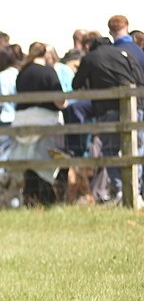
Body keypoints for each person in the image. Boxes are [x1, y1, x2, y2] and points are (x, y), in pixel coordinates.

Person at [73, 33, 144, 203]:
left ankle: (121, 189)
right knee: (138, 150)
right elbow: (140, 78)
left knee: (110, 151)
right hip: (137, 108)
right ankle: (137, 190)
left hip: (109, 109)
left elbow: (76, 84)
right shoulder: (124, 54)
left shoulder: (91, 57)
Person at [9, 42, 67, 205]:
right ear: (45, 54)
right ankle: (48, 199)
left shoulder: (21, 73)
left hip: (22, 121)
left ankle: (28, 199)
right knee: (47, 161)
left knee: (27, 163)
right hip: (45, 120)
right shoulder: (48, 71)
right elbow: (59, 100)